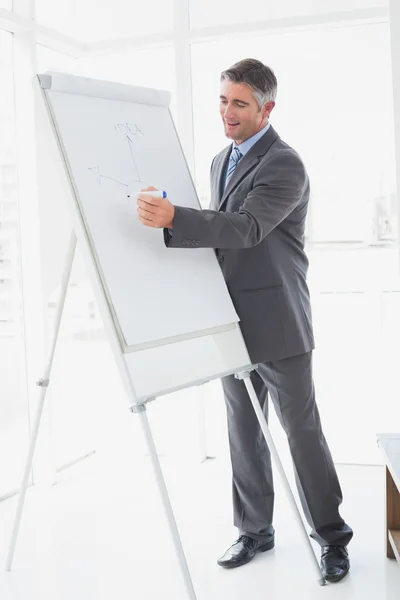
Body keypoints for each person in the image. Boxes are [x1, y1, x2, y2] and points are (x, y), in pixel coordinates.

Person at [136, 58, 353, 583]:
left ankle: (331, 538)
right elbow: (223, 235)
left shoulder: (285, 164)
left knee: (302, 433)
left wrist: (177, 221)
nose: (227, 112)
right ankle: (255, 531)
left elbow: (248, 227)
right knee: (243, 431)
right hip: (231, 320)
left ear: (266, 108)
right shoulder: (220, 160)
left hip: (278, 321)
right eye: (222, 100)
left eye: (239, 103)